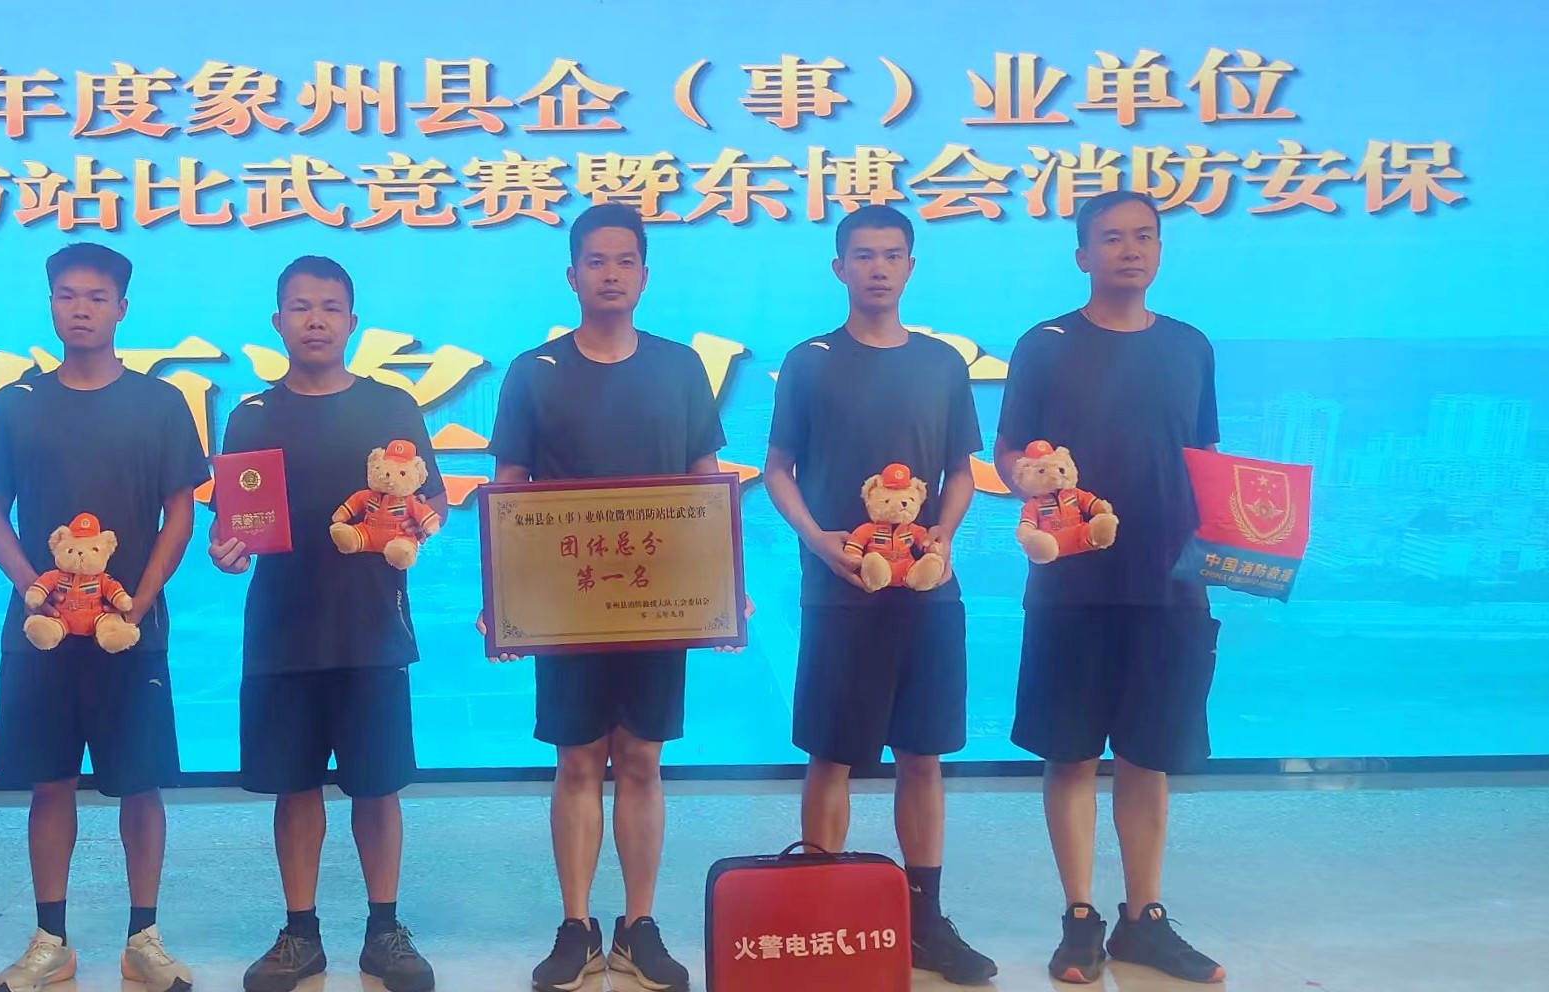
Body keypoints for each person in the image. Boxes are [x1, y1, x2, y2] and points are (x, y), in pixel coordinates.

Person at [488, 203, 728, 992]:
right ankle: (575, 926)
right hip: (568, 604)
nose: (611, 274)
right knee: (577, 760)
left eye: (625, 260)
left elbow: (704, 484)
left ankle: (638, 925)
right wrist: (503, 595)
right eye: (596, 261)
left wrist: (722, 591)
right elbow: (510, 489)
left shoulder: (679, 368)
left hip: (658, 603)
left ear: (645, 275)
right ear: (571, 275)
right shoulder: (533, 370)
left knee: (643, 759)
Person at [995, 190, 1227, 985]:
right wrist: (1029, 483)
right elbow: (1007, 452)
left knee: (1146, 757)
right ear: (1081, 255)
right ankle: (1079, 918)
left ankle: (1143, 919)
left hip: (1169, 584)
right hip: (1071, 584)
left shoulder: (1189, 345)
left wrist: (1237, 542)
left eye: (1144, 237)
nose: (1130, 250)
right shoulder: (1044, 345)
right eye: (1112, 238)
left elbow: (1206, 459)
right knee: (1069, 755)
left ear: (1158, 250)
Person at [763, 204, 997, 985]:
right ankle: (819, 917)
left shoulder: (940, 363)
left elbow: (961, 472)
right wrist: (816, 539)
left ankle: (924, 920)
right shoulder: (808, 361)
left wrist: (944, 536)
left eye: (892, 255)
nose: (877, 268)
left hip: (927, 592)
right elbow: (776, 471)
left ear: (910, 266)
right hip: (839, 590)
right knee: (831, 754)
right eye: (862, 255)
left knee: (922, 756)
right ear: (839, 268)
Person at [209, 256, 443, 992]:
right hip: (282, 626)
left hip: (372, 624)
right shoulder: (251, 414)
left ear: (351, 322)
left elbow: (428, 502)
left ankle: (385, 931)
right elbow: (231, 521)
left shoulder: (391, 405)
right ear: (277, 321)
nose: (316, 320)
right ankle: (299, 933)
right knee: (294, 786)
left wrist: (416, 529)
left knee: (378, 787)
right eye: (301, 307)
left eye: (330, 307)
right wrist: (225, 551)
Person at [0, 242, 207, 992]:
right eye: (66, 295)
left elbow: (181, 512)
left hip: (128, 631)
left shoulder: (160, 403)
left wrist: (139, 598)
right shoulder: (18, 402)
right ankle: (50, 940)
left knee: (141, 784)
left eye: (96, 297)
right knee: (49, 782)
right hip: (41, 632)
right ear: (50, 304)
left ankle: (144, 939)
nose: (80, 309)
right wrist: (31, 589)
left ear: (121, 309)